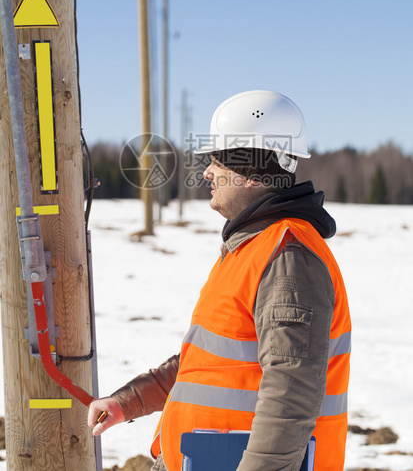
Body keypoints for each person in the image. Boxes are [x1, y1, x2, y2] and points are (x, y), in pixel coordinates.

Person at [88, 90, 351, 471]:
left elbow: (291, 394)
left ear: (249, 171)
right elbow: (208, 363)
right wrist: (128, 402)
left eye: (217, 161)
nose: (207, 172)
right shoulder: (252, 248)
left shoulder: (288, 257)